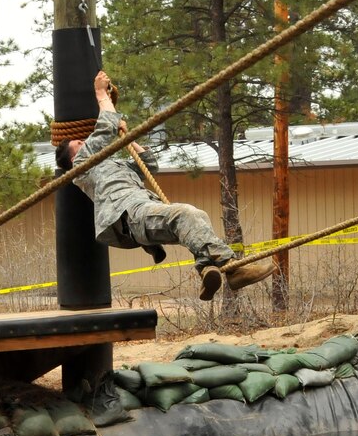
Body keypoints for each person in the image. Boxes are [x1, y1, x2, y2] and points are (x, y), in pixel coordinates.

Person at [55, 70, 275, 302]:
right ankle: (233, 268)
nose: (85, 142)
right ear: (73, 158)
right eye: (80, 143)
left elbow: (149, 165)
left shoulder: (114, 165)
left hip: (142, 212)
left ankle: (206, 268)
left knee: (195, 216)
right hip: (131, 215)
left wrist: (127, 136)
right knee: (184, 213)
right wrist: (101, 93)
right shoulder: (82, 168)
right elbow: (103, 130)